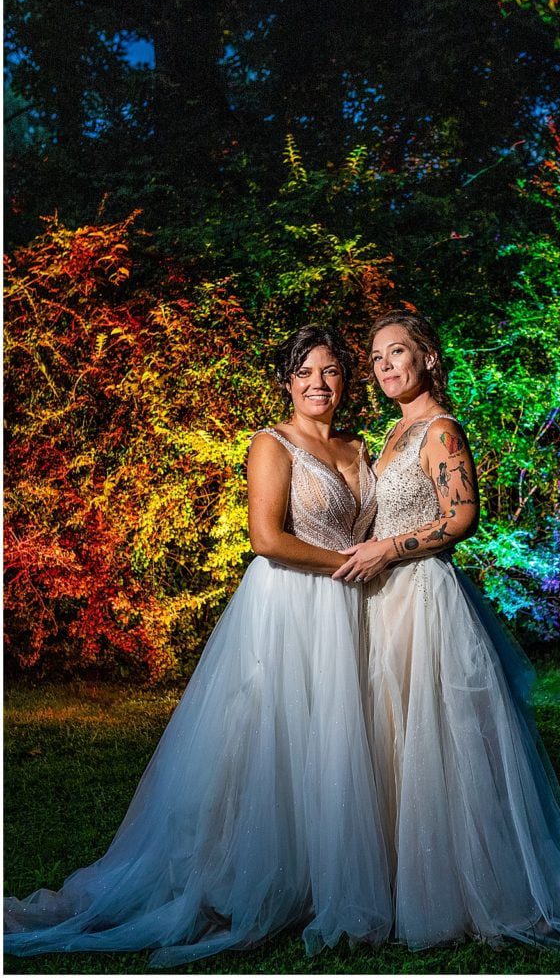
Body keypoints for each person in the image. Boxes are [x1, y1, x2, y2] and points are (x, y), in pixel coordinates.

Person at [4, 325, 392, 968]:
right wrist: (346, 566)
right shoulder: (272, 445)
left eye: (330, 371)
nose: (319, 384)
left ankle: (336, 866)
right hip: (292, 603)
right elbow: (266, 539)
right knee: (277, 738)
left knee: (342, 736)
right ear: (286, 381)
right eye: (305, 372)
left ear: (346, 381)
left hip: (351, 604)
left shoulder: (359, 446)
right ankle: (261, 873)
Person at [334, 308, 560, 951]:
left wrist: (386, 550)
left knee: (439, 736)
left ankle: (464, 879)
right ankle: (402, 872)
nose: (384, 367)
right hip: (383, 602)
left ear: (426, 356)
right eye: (375, 359)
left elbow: (460, 519)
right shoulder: (391, 434)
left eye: (397, 353)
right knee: (391, 732)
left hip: (424, 597)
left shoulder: (440, 430)